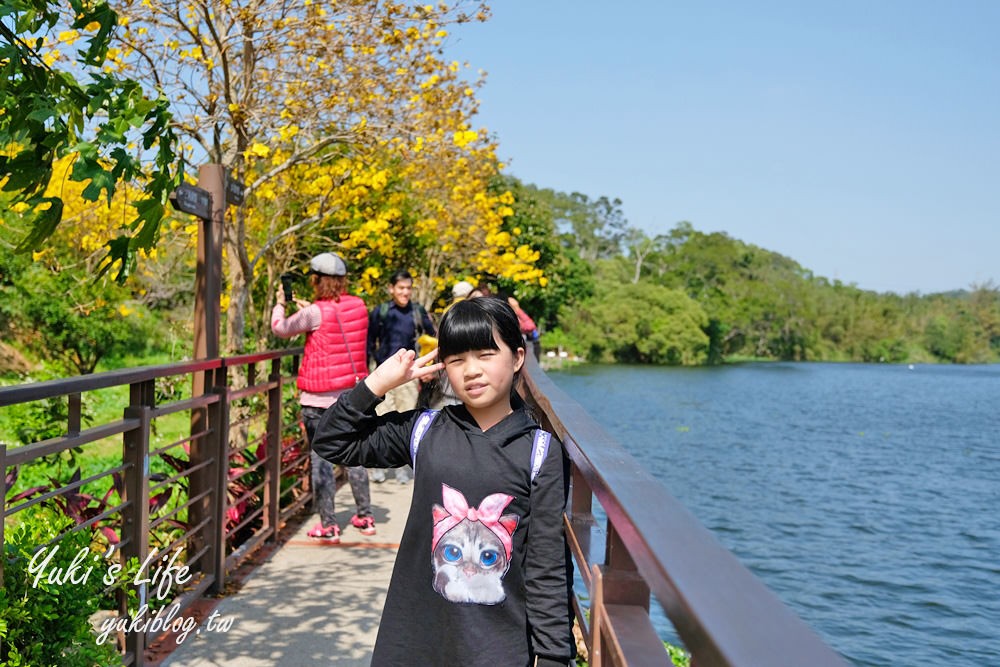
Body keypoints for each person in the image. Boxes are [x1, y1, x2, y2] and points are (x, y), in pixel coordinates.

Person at [311, 297, 575, 666]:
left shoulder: (540, 453)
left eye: (485, 355)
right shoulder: (424, 430)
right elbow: (331, 441)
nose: (471, 371)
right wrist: (376, 384)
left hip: (496, 649)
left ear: (517, 358)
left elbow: (547, 569)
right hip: (413, 642)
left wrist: (553, 657)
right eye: (456, 360)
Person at [270, 252, 376, 542]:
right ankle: (365, 517)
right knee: (354, 455)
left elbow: (280, 329)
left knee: (321, 459)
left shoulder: (314, 312)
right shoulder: (359, 305)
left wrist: (281, 304)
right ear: (342, 281)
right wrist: (311, 309)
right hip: (351, 397)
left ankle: (328, 525)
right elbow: (334, 321)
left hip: (318, 401)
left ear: (316, 280)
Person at [367, 269, 437, 483]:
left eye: (408, 288)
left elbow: (431, 338)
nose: (405, 292)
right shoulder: (381, 312)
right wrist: (364, 372)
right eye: (401, 288)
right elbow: (369, 343)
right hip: (383, 375)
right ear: (391, 289)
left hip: (409, 375)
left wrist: (431, 368)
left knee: (407, 421)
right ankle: (377, 465)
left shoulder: (417, 312)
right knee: (380, 421)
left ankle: (402, 468)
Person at [507, 295, 542, 360]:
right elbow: (530, 326)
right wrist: (517, 309)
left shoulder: (518, 316)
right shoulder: (509, 317)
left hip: (531, 345)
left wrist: (517, 310)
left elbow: (530, 327)